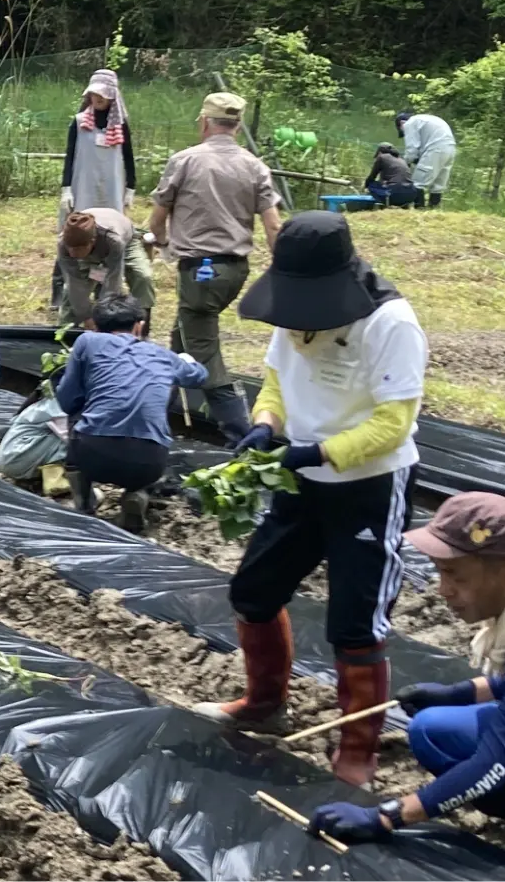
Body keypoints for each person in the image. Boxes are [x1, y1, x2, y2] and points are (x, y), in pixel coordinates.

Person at [190, 210, 427, 788]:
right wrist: (266, 425)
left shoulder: (391, 323)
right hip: (300, 482)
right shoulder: (294, 310)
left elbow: (393, 424)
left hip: (369, 487)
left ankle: (358, 751)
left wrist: (317, 453)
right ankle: (264, 704)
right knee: (253, 590)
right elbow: (277, 382)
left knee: (356, 622)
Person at [309, 493, 505, 870]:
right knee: (433, 730)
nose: (443, 589)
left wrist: (386, 816)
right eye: (440, 571)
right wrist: (458, 693)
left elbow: (496, 759)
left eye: (455, 575)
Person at [148, 91, 282, 442]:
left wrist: (162, 243)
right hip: (234, 271)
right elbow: (273, 225)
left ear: (205, 122)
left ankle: (243, 437)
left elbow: (157, 219)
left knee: (205, 356)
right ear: (237, 125)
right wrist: (283, 269)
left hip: (199, 272)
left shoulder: (185, 161)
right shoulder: (255, 165)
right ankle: (155, 415)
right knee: (183, 339)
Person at [54, 295, 207, 530]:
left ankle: (84, 502)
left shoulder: (87, 342)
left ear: (95, 326)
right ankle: (137, 492)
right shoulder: (163, 355)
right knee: (161, 394)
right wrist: (186, 360)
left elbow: (66, 400)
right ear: (139, 326)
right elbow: (199, 376)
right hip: (148, 462)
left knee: (78, 411)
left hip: (92, 455)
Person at [53, 69, 137, 311]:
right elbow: (70, 156)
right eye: (94, 94)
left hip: (111, 188)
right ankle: (59, 291)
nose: (97, 99)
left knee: (105, 238)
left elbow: (128, 157)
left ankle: (104, 293)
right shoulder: (79, 122)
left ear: (112, 96)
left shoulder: (120, 124)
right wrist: (66, 188)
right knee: (74, 236)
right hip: (84, 185)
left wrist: (131, 187)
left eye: (102, 95)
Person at [56, 209, 155, 329]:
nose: (72, 254)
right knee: (70, 293)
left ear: (92, 242)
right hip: (90, 253)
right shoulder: (63, 243)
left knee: (142, 276)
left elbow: (113, 281)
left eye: (77, 249)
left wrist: (103, 318)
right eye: (70, 248)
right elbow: (74, 282)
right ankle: (65, 330)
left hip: (126, 242)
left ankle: (140, 325)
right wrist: (86, 317)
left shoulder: (113, 240)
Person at [0, 390, 69, 484]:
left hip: (14, 456)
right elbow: (72, 437)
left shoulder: (50, 399)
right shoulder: (60, 405)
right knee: (79, 440)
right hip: (18, 459)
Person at [395, 111, 457, 209]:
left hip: (435, 149)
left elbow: (412, 149)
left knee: (418, 183)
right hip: (450, 148)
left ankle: (420, 209)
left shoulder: (409, 123)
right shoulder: (425, 119)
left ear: (402, 123)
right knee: (438, 184)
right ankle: (433, 209)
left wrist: (405, 163)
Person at [365, 142, 418, 207]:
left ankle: (383, 203)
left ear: (380, 151)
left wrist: (366, 186)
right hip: (411, 195)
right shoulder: (401, 159)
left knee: (371, 184)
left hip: (394, 194)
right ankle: (403, 204)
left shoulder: (381, 157)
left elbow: (372, 177)